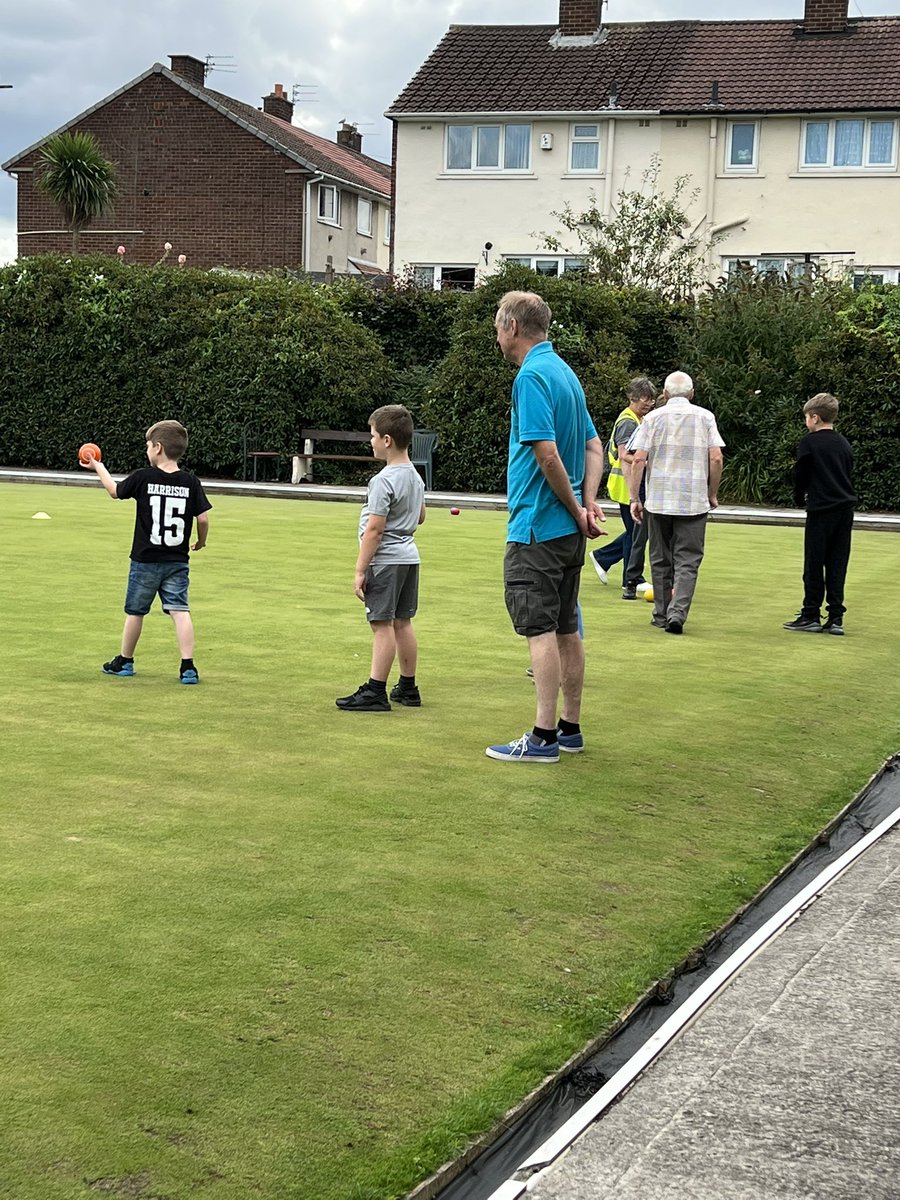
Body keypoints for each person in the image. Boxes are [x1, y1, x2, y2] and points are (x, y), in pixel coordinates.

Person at [486, 290, 605, 763]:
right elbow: (594, 446)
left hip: (537, 526)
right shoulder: (565, 373)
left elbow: (547, 454)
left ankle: (542, 737)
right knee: (566, 628)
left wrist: (578, 508)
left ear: (512, 327)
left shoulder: (532, 376)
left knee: (540, 630)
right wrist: (588, 503)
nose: (497, 337)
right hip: (567, 533)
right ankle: (570, 729)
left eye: (498, 328)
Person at [80, 420, 211, 683]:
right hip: (177, 561)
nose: (147, 450)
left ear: (157, 448)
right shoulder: (190, 481)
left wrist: (98, 466)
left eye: (148, 445)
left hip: (145, 561)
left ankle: (125, 661)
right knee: (180, 611)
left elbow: (114, 491)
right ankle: (188, 666)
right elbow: (203, 518)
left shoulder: (143, 477)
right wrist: (201, 541)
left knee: (136, 612)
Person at [336, 404, 426, 712]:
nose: (370, 441)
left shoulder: (383, 480)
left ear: (387, 440)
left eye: (373, 436)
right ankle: (408, 687)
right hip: (409, 558)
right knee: (403, 621)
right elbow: (420, 516)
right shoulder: (415, 476)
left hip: (385, 560)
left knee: (381, 624)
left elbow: (374, 529)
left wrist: (360, 569)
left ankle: (375, 690)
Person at [628, 371, 724, 635]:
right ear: (692, 394)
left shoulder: (652, 418)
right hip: (693, 500)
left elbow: (638, 459)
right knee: (688, 560)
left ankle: (661, 613)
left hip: (659, 500)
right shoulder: (706, 417)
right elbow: (716, 457)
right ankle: (677, 612)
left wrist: (635, 498)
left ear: (665, 394)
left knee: (660, 559)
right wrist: (712, 493)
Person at [783, 392, 855, 636]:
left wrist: (798, 497)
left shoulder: (810, 443)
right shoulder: (843, 443)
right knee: (837, 562)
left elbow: (801, 473)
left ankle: (811, 613)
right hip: (844, 508)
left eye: (806, 417)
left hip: (821, 508)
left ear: (814, 417)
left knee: (814, 563)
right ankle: (836, 617)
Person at [589, 377, 655, 598]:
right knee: (636, 533)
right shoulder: (628, 421)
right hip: (626, 486)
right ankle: (632, 578)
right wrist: (649, 460)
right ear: (633, 397)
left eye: (651, 399)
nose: (649, 403)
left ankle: (604, 558)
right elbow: (624, 454)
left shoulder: (637, 419)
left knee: (635, 532)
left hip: (630, 484)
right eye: (645, 399)